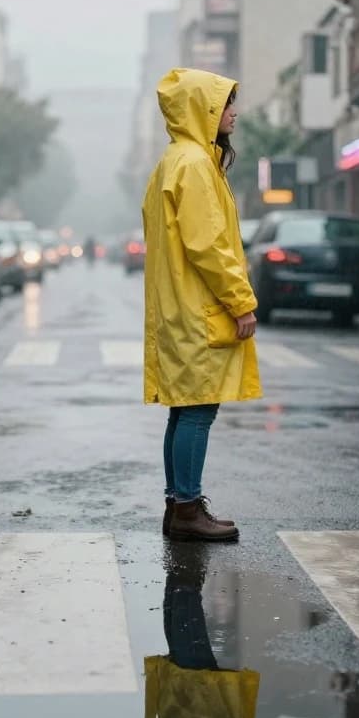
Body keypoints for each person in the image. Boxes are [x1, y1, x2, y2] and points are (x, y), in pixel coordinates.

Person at [143, 68, 261, 543]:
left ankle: (179, 505)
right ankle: (187, 509)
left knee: (184, 409)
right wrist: (240, 302)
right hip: (197, 307)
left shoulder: (176, 160)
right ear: (202, 108)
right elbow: (208, 244)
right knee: (196, 410)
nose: (233, 111)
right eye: (226, 102)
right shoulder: (193, 164)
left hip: (180, 306)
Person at [144, 543, 258, 718]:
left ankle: (187, 541)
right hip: (186, 716)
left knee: (183, 602)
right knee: (179, 604)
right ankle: (184, 542)